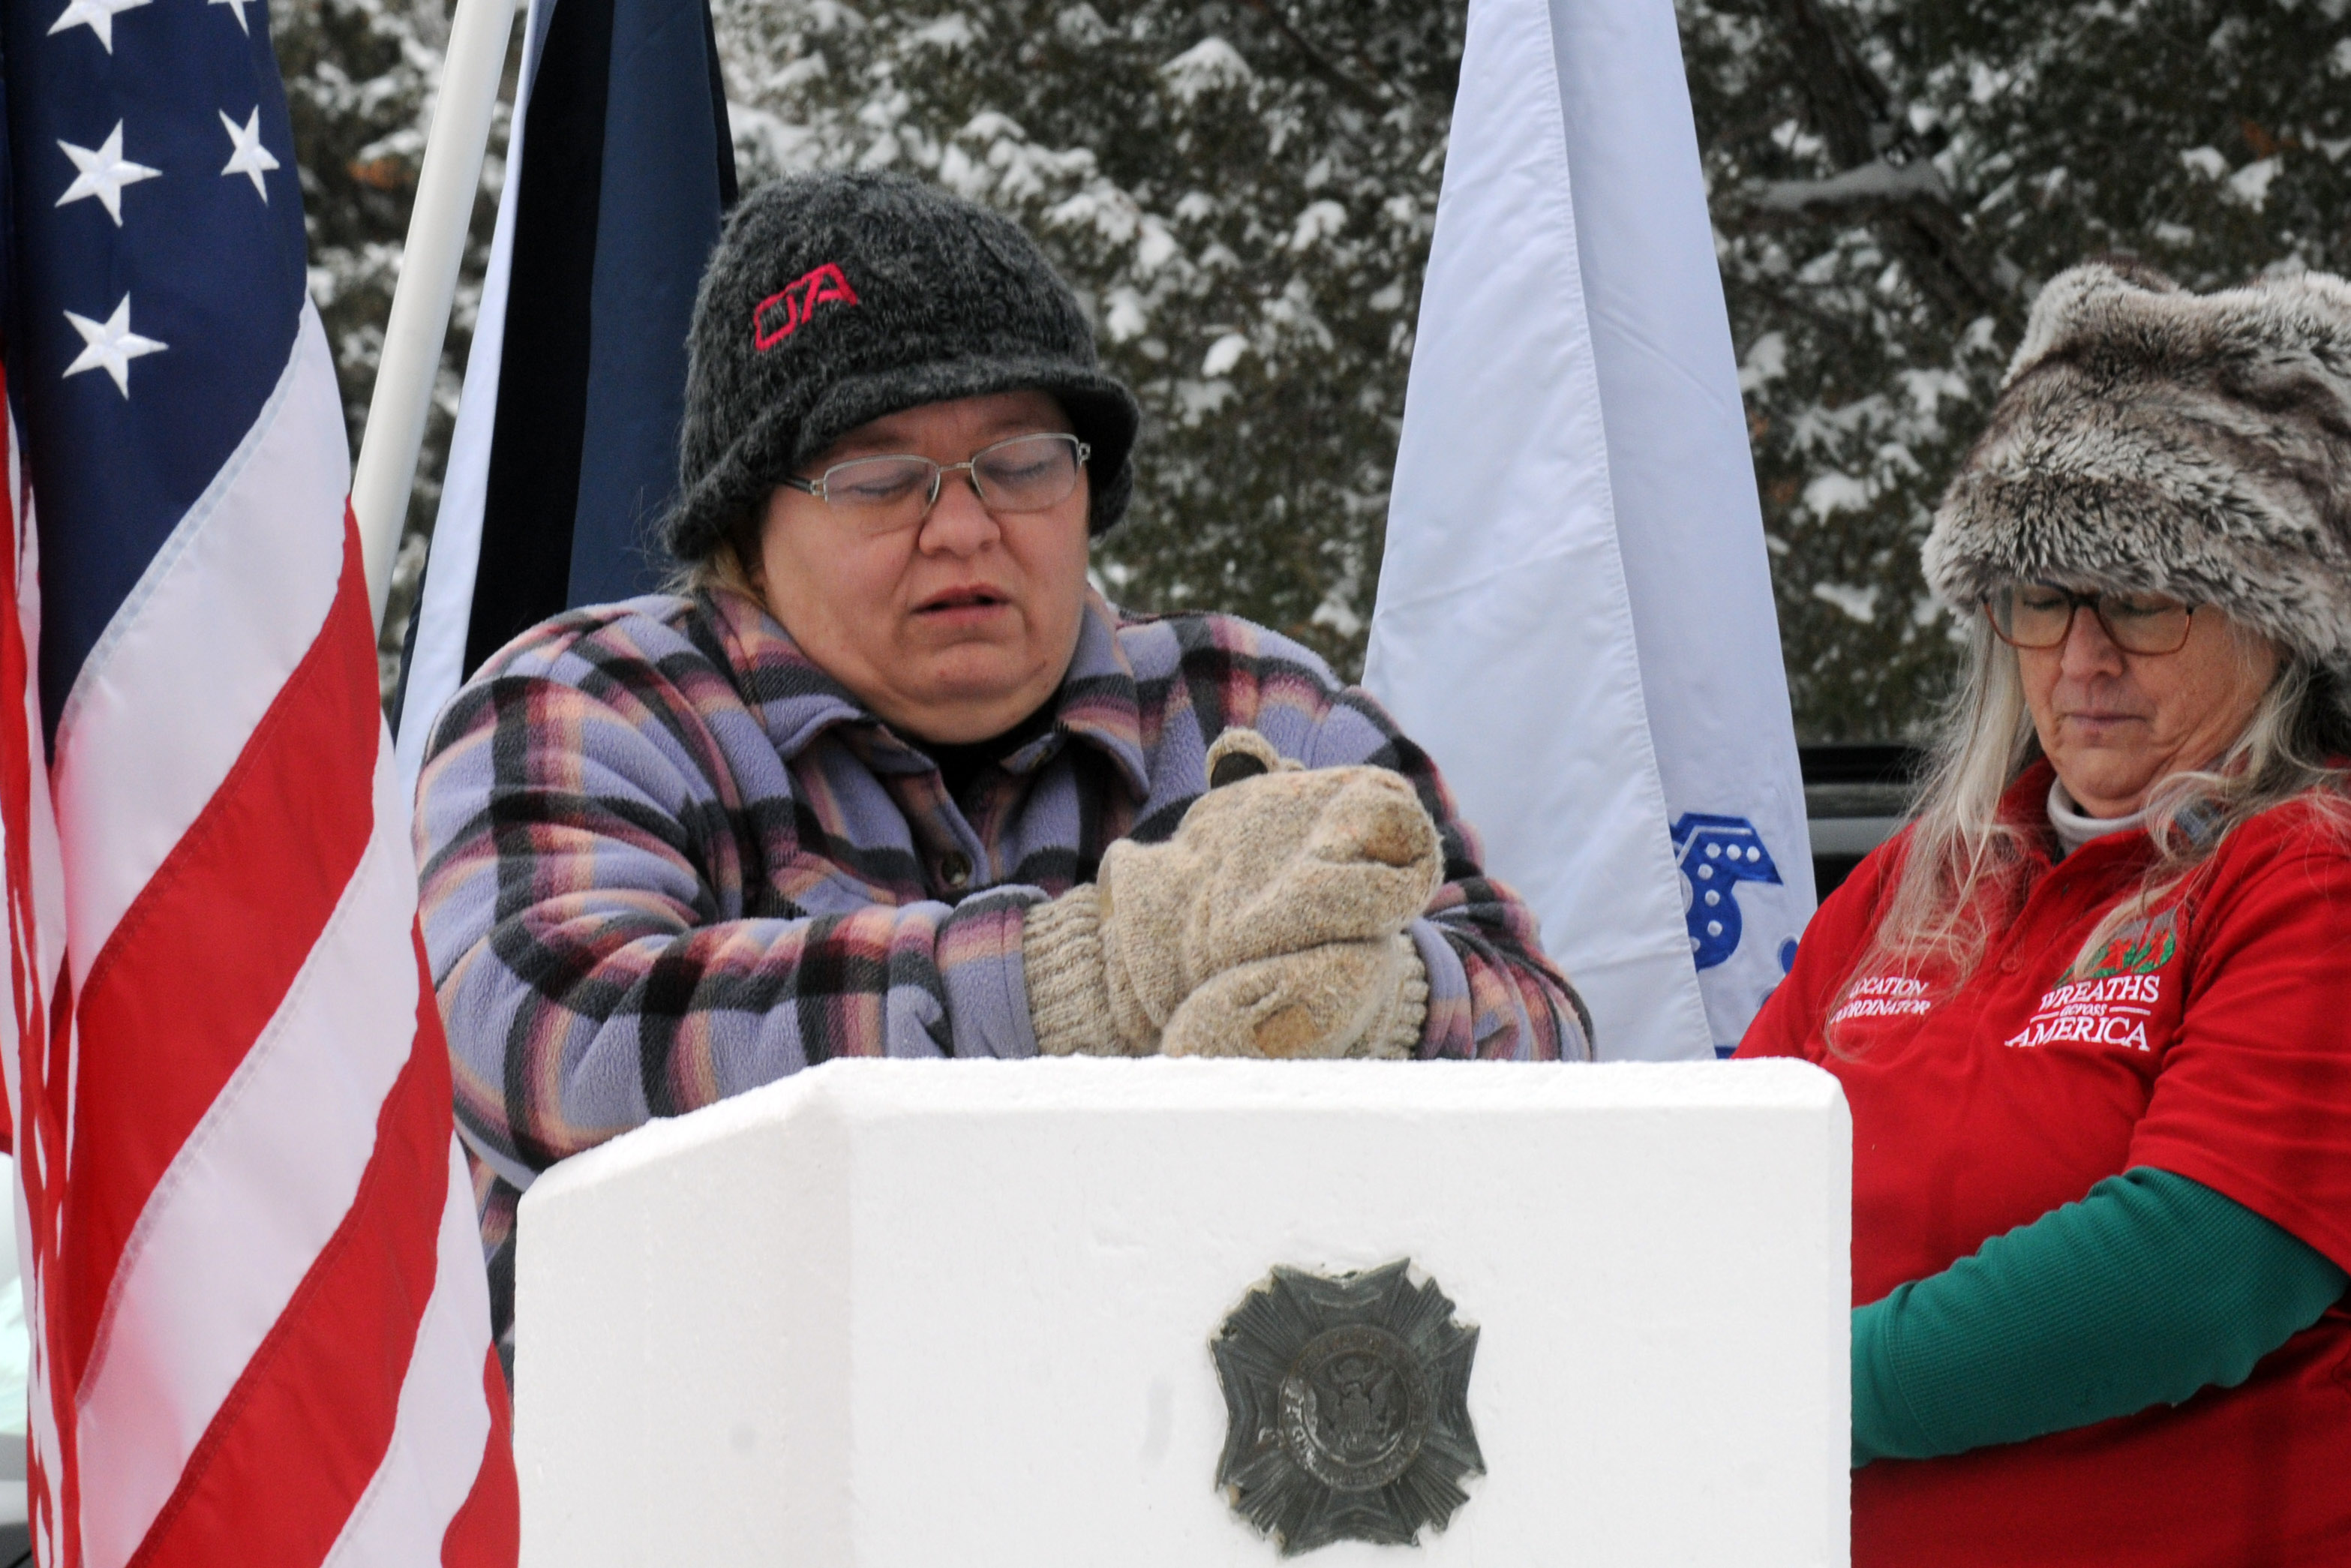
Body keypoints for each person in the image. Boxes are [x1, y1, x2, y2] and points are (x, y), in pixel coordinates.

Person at [412, 171, 1588, 1360]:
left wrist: (1382, 1003)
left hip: (1180, 1477)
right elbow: (548, 1034)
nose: (963, 526)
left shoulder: (1255, 704)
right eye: (878, 475)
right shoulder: (596, 704)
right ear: (746, 532)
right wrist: (1080, 982)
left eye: (1021, 463)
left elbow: (1550, 1035)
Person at [1741, 260, 2351, 1566]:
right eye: (2039, 598)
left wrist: (1787, 1390)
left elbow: (2196, 1268)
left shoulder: (2311, 873)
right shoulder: (1922, 883)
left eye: (2136, 597)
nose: (2080, 660)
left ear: (2278, 621)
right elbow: (1712, 1166)